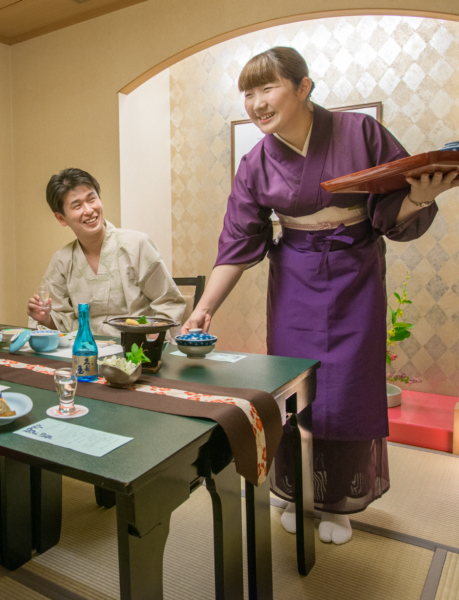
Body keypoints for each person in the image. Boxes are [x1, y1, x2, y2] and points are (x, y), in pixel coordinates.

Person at [181, 47, 458, 545]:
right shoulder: (255, 162)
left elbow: (393, 209)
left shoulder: (360, 133)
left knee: (349, 385)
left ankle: (338, 502)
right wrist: (204, 308)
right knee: (294, 387)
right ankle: (295, 490)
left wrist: (420, 196)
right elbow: (239, 244)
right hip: (296, 278)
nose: (256, 102)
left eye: (268, 88)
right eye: (248, 92)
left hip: (356, 271)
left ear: (303, 88)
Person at [27, 168, 185, 336]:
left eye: (92, 199)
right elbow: (58, 321)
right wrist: (44, 318)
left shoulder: (136, 245)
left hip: (137, 352)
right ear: (61, 218)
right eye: (77, 205)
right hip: (85, 353)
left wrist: (152, 342)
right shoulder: (62, 260)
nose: (88, 210)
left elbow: (169, 303)